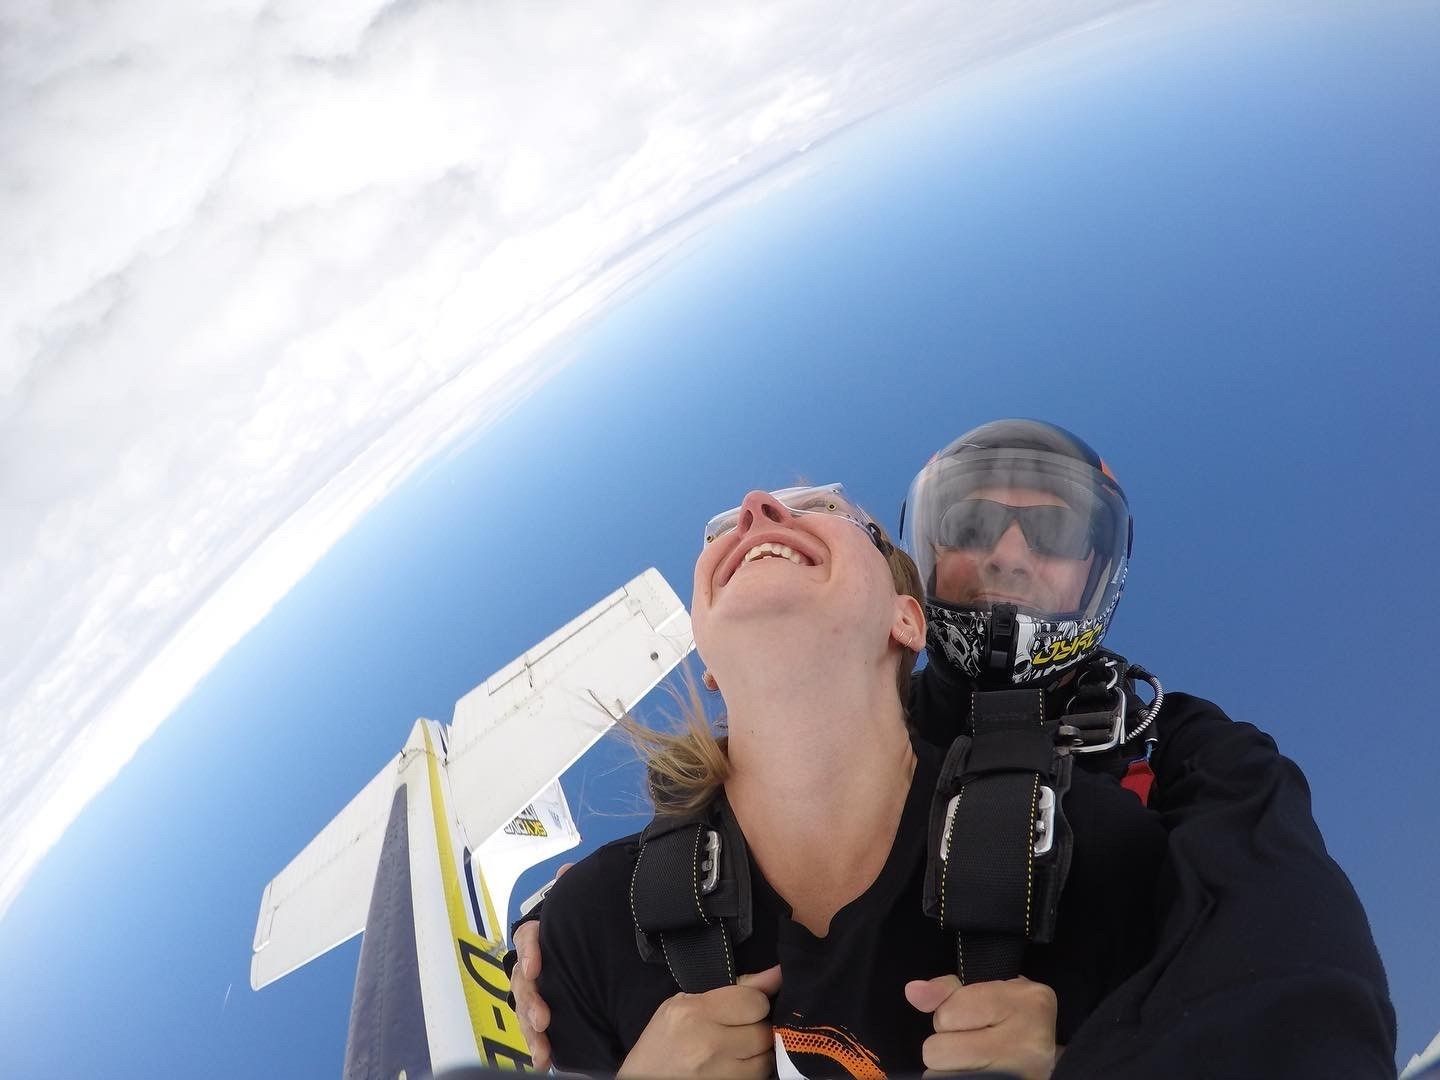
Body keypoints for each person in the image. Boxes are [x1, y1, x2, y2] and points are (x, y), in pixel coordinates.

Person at [512, 421, 1397, 1078]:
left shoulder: (1179, 755)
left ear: (1099, 577)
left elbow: (1292, 965)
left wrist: (1093, 1055)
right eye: (970, 525)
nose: (1008, 553)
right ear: (918, 579)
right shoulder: (851, 718)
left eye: (1050, 535)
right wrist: (565, 916)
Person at [535, 486, 1096, 1078]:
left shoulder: (1085, 859)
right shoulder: (589, 930)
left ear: (906, 618)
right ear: (711, 670)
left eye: (825, 510)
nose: (757, 508)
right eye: (724, 528)